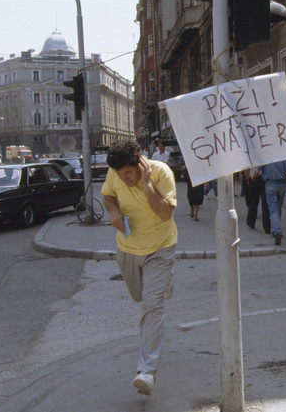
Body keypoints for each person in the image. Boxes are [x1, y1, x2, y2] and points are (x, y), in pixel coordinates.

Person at [101, 139, 178, 396]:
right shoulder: (115, 173)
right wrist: (113, 212)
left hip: (160, 248)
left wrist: (146, 185)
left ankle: (147, 371)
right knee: (138, 296)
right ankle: (164, 281)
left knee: (151, 304)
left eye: (128, 173)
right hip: (128, 248)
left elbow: (166, 214)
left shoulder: (161, 173)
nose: (123, 178)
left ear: (140, 163)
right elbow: (108, 195)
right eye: (119, 174)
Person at [262, 158, 286, 245]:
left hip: (270, 184)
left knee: (273, 209)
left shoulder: (266, 156)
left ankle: (277, 231)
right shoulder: (284, 155)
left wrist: (252, 177)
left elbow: (257, 171)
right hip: (282, 185)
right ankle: (276, 228)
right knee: (278, 209)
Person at [244, 166, 271, 234]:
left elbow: (246, 168)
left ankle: (251, 222)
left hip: (254, 178)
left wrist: (247, 178)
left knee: (253, 202)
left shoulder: (251, 155)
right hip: (264, 179)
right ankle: (267, 226)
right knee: (265, 203)